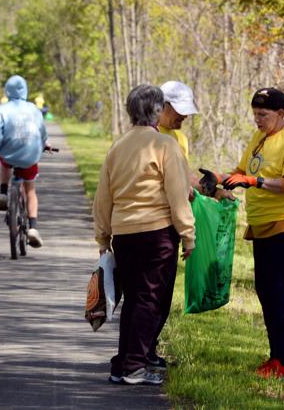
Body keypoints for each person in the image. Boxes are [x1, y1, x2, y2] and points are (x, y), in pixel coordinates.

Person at [199, 87, 284, 383]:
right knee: (264, 290)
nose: (258, 119)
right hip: (262, 223)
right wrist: (218, 178)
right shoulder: (259, 138)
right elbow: (241, 171)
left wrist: (255, 181)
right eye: (255, 114)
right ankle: (274, 357)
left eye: (263, 114)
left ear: (280, 112)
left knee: (277, 291)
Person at [93, 84, 195, 386]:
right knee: (149, 299)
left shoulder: (118, 146)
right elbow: (178, 195)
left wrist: (103, 238)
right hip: (156, 233)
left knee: (136, 298)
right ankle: (135, 366)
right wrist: (188, 235)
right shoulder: (165, 146)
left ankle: (122, 363)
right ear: (157, 112)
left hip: (124, 234)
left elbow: (104, 197)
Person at [0, 75, 49, 248]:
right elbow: (42, 132)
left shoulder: (2, 109)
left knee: (4, 159)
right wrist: (45, 144)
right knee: (30, 190)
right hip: (30, 155)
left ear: (7, 91)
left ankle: (3, 192)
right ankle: (33, 227)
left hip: (9, 154)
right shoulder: (34, 109)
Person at [158, 80, 234, 201]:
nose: (185, 116)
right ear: (163, 106)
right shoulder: (149, 136)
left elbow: (184, 174)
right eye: (180, 110)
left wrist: (214, 191)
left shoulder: (181, 138)